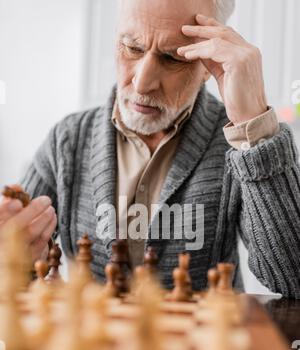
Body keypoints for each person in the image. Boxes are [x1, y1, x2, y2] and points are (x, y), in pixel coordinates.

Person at [1, 0, 300, 297]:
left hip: (197, 343)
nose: (142, 83)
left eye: (172, 58)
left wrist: (254, 127)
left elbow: (292, 280)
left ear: (209, 64)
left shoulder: (238, 143)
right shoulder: (67, 141)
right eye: (132, 47)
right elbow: (17, 263)